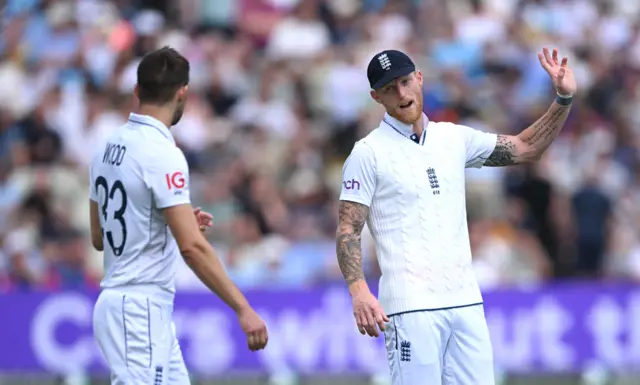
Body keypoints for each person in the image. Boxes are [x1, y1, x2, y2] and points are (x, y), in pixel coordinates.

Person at [336, 48, 576, 384]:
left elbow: (526, 148)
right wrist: (358, 290)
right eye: (390, 88)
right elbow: (348, 227)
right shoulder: (368, 153)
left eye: (406, 82)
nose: (402, 94)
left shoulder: (453, 138)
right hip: (410, 308)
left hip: (465, 302)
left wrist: (563, 99)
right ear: (377, 96)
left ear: (419, 78)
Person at [89, 47, 268, 384]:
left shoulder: (107, 146)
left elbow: (100, 237)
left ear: (138, 90)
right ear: (183, 92)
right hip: (139, 307)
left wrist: (169, 223)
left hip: (126, 303)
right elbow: (193, 248)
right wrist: (243, 308)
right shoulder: (164, 153)